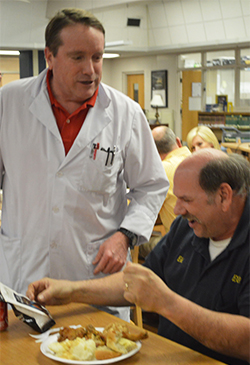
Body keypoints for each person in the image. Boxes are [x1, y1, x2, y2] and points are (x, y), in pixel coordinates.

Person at [0, 8, 168, 321]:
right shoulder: (9, 103)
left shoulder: (126, 114)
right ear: (50, 56)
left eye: (97, 57)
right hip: (23, 274)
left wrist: (125, 237)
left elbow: (152, 185)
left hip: (93, 280)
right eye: (77, 57)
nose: (90, 69)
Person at [27, 149, 250, 365]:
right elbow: (136, 283)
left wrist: (167, 303)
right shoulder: (187, 228)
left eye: (187, 200)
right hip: (167, 356)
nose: (178, 210)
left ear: (224, 195)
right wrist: (70, 291)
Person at [139, 125, 191, 258]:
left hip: (181, 247)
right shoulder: (194, 160)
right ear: (178, 142)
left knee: (137, 244)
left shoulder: (161, 171)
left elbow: (143, 210)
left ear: (152, 153)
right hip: (203, 242)